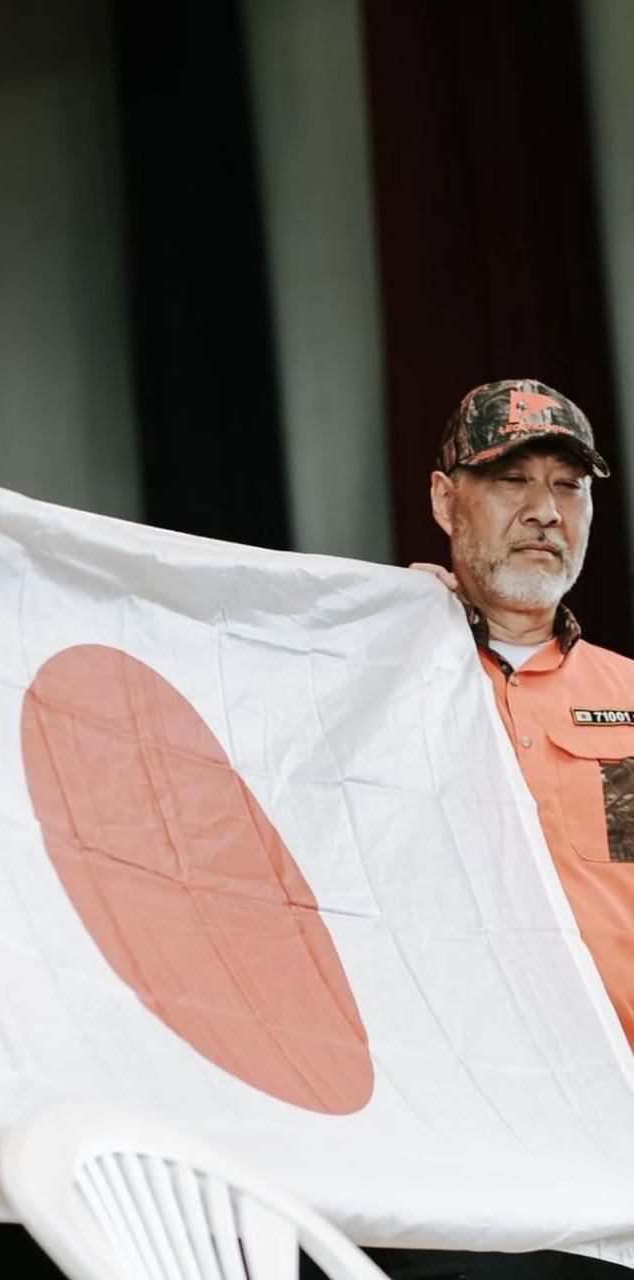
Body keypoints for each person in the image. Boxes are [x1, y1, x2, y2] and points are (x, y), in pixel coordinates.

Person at [368, 378, 634, 1279]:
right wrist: (381, 636)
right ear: (446, 501)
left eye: (569, 486)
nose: (545, 511)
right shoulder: (376, 674)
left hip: (619, 1141)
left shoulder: (628, 698)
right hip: (454, 1154)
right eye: (511, 479)